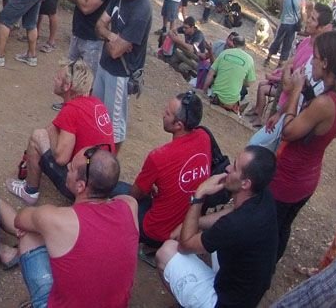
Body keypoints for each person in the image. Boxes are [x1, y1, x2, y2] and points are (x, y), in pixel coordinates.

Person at [156, 145, 279, 308]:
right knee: (205, 240)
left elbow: (185, 245)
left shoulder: (236, 225)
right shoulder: (262, 196)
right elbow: (232, 212)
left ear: (245, 184)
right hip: (246, 293)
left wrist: (199, 195)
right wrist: (197, 222)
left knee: (166, 251)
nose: (227, 168)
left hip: (223, 302)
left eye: (234, 168)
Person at [15, 147, 139, 308]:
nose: (67, 167)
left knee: (29, 235)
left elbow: (20, 220)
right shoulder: (130, 205)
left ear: (80, 186)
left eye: (72, 168)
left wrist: (42, 229)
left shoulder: (58, 219)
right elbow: (120, 199)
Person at [270, 30, 336, 260]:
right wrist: (306, 90)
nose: (311, 61)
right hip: (308, 177)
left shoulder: (324, 104)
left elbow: (288, 132)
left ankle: (259, 272)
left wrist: (296, 90)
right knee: (282, 227)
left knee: (269, 229)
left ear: (325, 62)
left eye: (315, 57)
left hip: (289, 178)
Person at [6, 62, 115, 204]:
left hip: (83, 189)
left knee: (37, 136)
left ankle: (30, 191)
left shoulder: (71, 110)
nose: (54, 79)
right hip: (100, 181)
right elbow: (56, 128)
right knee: (45, 135)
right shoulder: (95, 102)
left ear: (67, 86)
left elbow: (61, 158)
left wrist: (44, 140)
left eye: (58, 78)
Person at [131, 92, 211, 249]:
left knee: (115, 191)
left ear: (178, 125)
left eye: (167, 113)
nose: (163, 114)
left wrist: (148, 188)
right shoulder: (204, 137)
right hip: (187, 226)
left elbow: (135, 194)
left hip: (156, 232)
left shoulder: (159, 156)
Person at [250, 3, 333, 138]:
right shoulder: (305, 42)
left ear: (321, 27)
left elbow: (289, 86)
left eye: (313, 19)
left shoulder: (314, 56)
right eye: (310, 17)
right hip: (282, 102)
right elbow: (288, 66)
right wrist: (285, 72)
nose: (308, 20)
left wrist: (284, 73)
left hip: (289, 110)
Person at [93, 0, 153, 146]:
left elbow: (115, 52)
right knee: (96, 114)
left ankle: (110, 160)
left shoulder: (141, 11)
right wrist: (112, 36)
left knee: (114, 128)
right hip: (104, 66)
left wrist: (108, 37)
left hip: (120, 74)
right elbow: (98, 25)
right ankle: (94, 152)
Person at [202, 35, 255, 113]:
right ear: (245, 45)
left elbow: (211, 73)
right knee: (242, 91)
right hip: (231, 102)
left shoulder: (224, 53)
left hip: (216, 98)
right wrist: (239, 79)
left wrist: (204, 90)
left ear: (234, 43)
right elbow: (249, 83)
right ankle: (235, 107)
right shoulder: (249, 59)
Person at [267, 0, 306, 65]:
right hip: (293, 25)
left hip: (283, 22)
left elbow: (281, 7)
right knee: (287, 45)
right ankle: (280, 64)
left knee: (277, 40)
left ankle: (268, 58)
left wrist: (283, 15)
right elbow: (303, 14)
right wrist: (302, 23)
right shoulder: (302, 1)